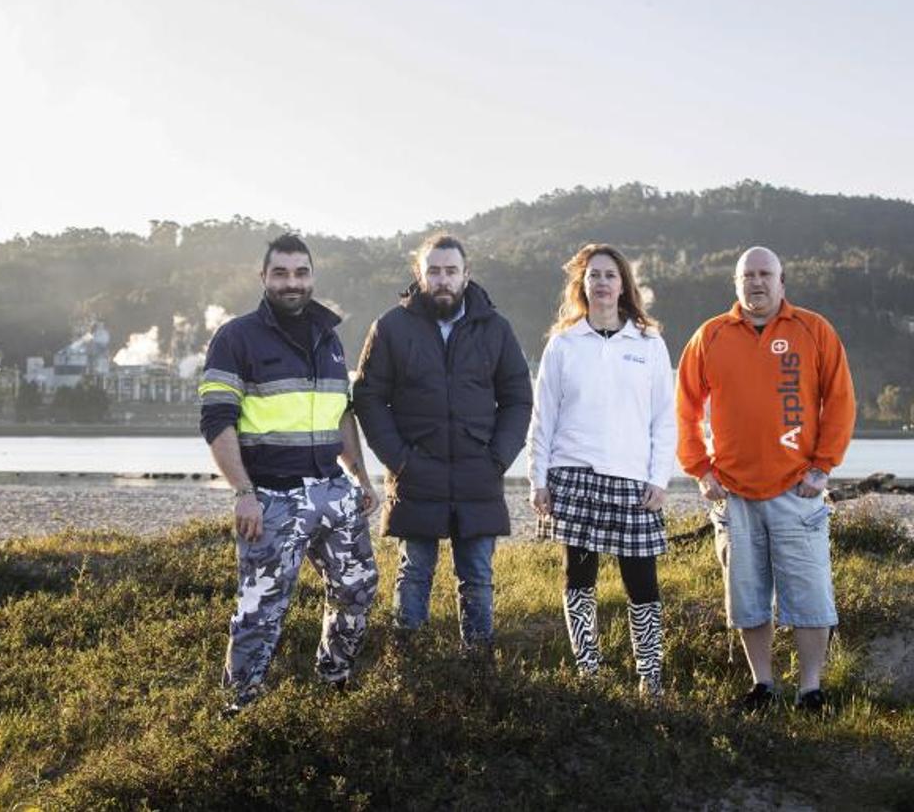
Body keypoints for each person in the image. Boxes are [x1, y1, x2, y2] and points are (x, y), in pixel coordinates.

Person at [199, 233, 380, 716]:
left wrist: (360, 478)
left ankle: (334, 678)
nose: (291, 282)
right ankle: (240, 709)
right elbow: (217, 420)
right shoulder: (236, 338)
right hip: (272, 498)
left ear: (312, 277)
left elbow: (342, 414)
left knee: (357, 590)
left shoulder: (330, 336)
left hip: (334, 491)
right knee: (261, 611)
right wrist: (242, 492)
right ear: (263, 278)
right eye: (280, 273)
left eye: (301, 272)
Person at [676, 245, 855, 711]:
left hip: (797, 489)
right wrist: (701, 469)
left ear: (782, 281)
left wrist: (822, 466)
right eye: (747, 275)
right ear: (736, 284)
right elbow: (685, 408)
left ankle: (810, 689)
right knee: (747, 597)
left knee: (811, 594)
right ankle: (763, 686)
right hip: (733, 492)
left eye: (765, 274)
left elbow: (839, 402)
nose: (756, 282)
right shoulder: (711, 335)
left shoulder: (813, 330)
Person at [352, 233, 533, 650]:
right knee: (414, 573)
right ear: (419, 274)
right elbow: (368, 397)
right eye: (434, 271)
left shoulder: (496, 329)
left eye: (451, 271)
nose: (443, 279)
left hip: (478, 473)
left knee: (478, 578)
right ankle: (408, 665)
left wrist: (498, 458)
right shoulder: (391, 327)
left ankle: (478, 671)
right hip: (416, 473)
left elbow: (519, 398)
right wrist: (399, 460)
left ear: (466, 275)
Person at [527, 243, 676, 696]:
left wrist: (659, 478)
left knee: (642, 582)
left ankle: (650, 679)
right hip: (572, 475)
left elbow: (664, 418)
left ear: (624, 284)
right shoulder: (564, 344)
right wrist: (538, 479)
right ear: (582, 285)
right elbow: (543, 416)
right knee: (579, 579)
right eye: (594, 275)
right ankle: (588, 673)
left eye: (610, 275)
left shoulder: (649, 344)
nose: (602, 283)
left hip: (632, 480)